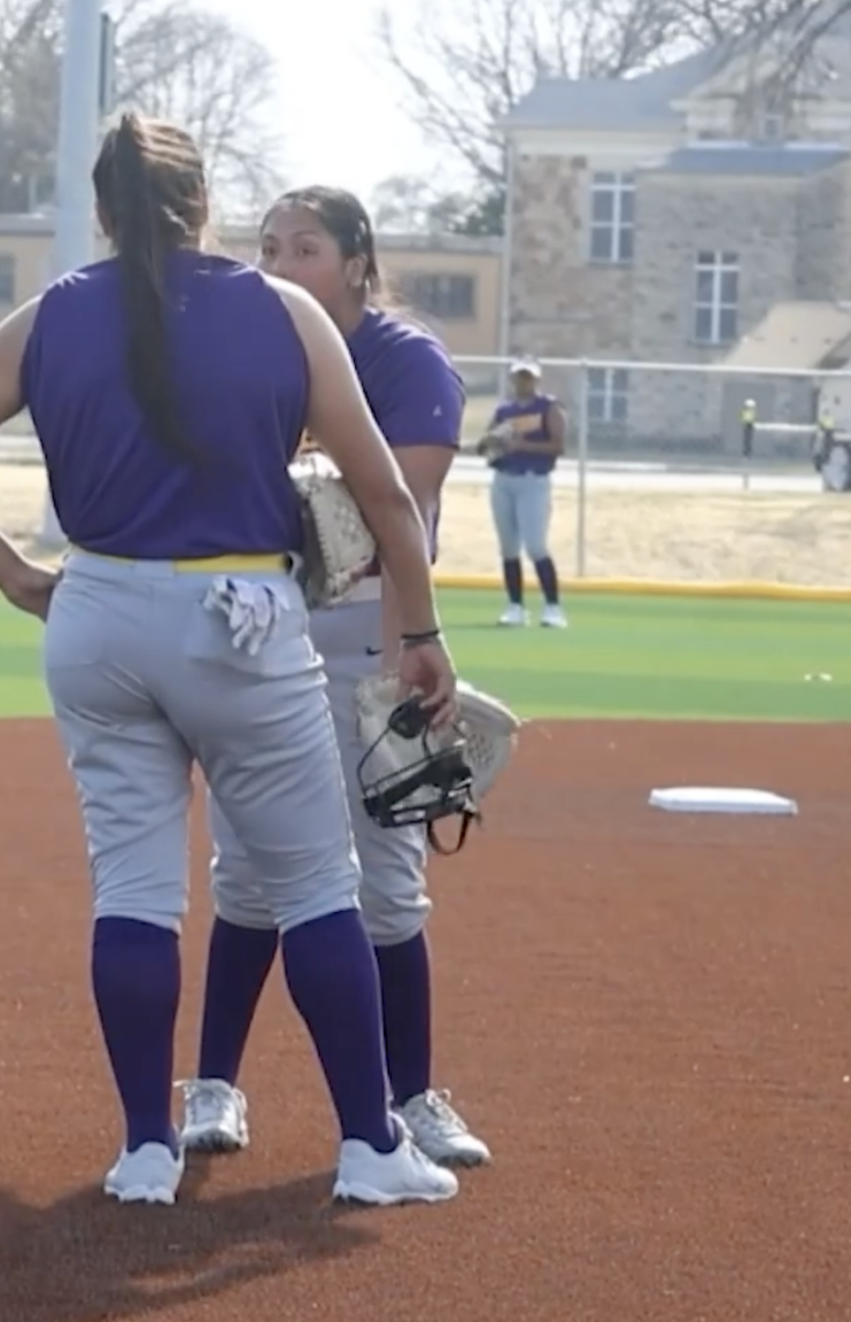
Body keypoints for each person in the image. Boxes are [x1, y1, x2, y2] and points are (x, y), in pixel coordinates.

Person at [0, 113, 462, 1208]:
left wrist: (19, 580)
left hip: (95, 604)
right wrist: (421, 632)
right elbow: (386, 498)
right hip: (236, 608)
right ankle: (367, 1144)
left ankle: (146, 1146)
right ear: (204, 205)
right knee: (314, 885)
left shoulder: (50, 315)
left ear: (102, 212)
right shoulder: (283, 311)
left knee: (135, 892)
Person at [184, 185, 493, 1173]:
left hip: (378, 643)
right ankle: (214, 1086)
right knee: (247, 876)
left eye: (306, 247)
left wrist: (411, 646)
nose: (279, 263)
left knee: (389, 889)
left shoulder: (403, 359)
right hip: (259, 637)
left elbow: (383, 507)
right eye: (267, 246)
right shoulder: (245, 351)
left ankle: (413, 1099)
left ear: (360, 262)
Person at [484, 359, 569, 628]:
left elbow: (558, 445)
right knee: (508, 547)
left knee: (535, 545)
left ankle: (552, 607)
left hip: (533, 480)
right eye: (519, 377)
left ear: (536, 380)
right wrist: (493, 444)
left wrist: (523, 444)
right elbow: (487, 442)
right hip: (504, 479)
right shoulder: (504, 410)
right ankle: (515, 606)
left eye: (528, 377)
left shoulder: (548, 408)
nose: (523, 382)